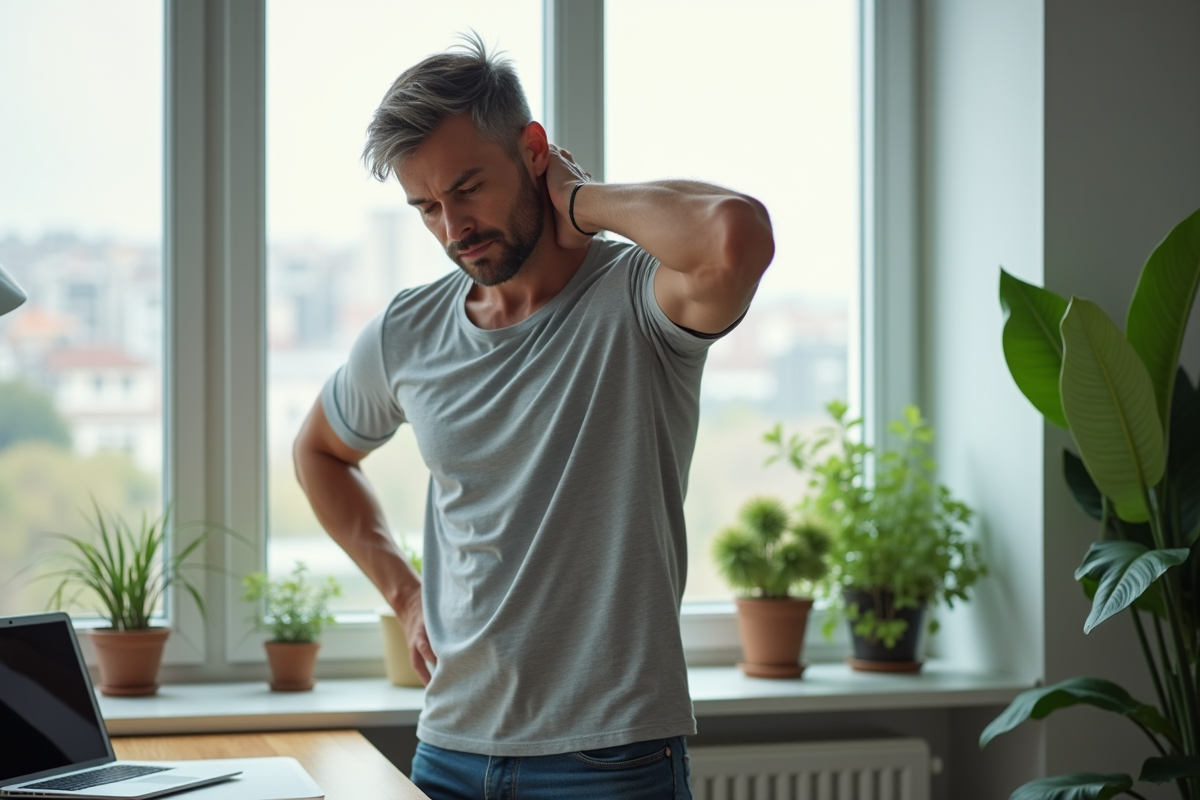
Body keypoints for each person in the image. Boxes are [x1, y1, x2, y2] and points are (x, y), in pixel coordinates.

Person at [292, 34, 774, 800]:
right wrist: (405, 594)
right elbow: (318, 453)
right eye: (426, 208)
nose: (453, 228)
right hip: (448, 751)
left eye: (469, 187)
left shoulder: (638, 300)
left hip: (609, 759)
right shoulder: (406, 332)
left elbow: (734, 237)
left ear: (533, 151)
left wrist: (582, 199)